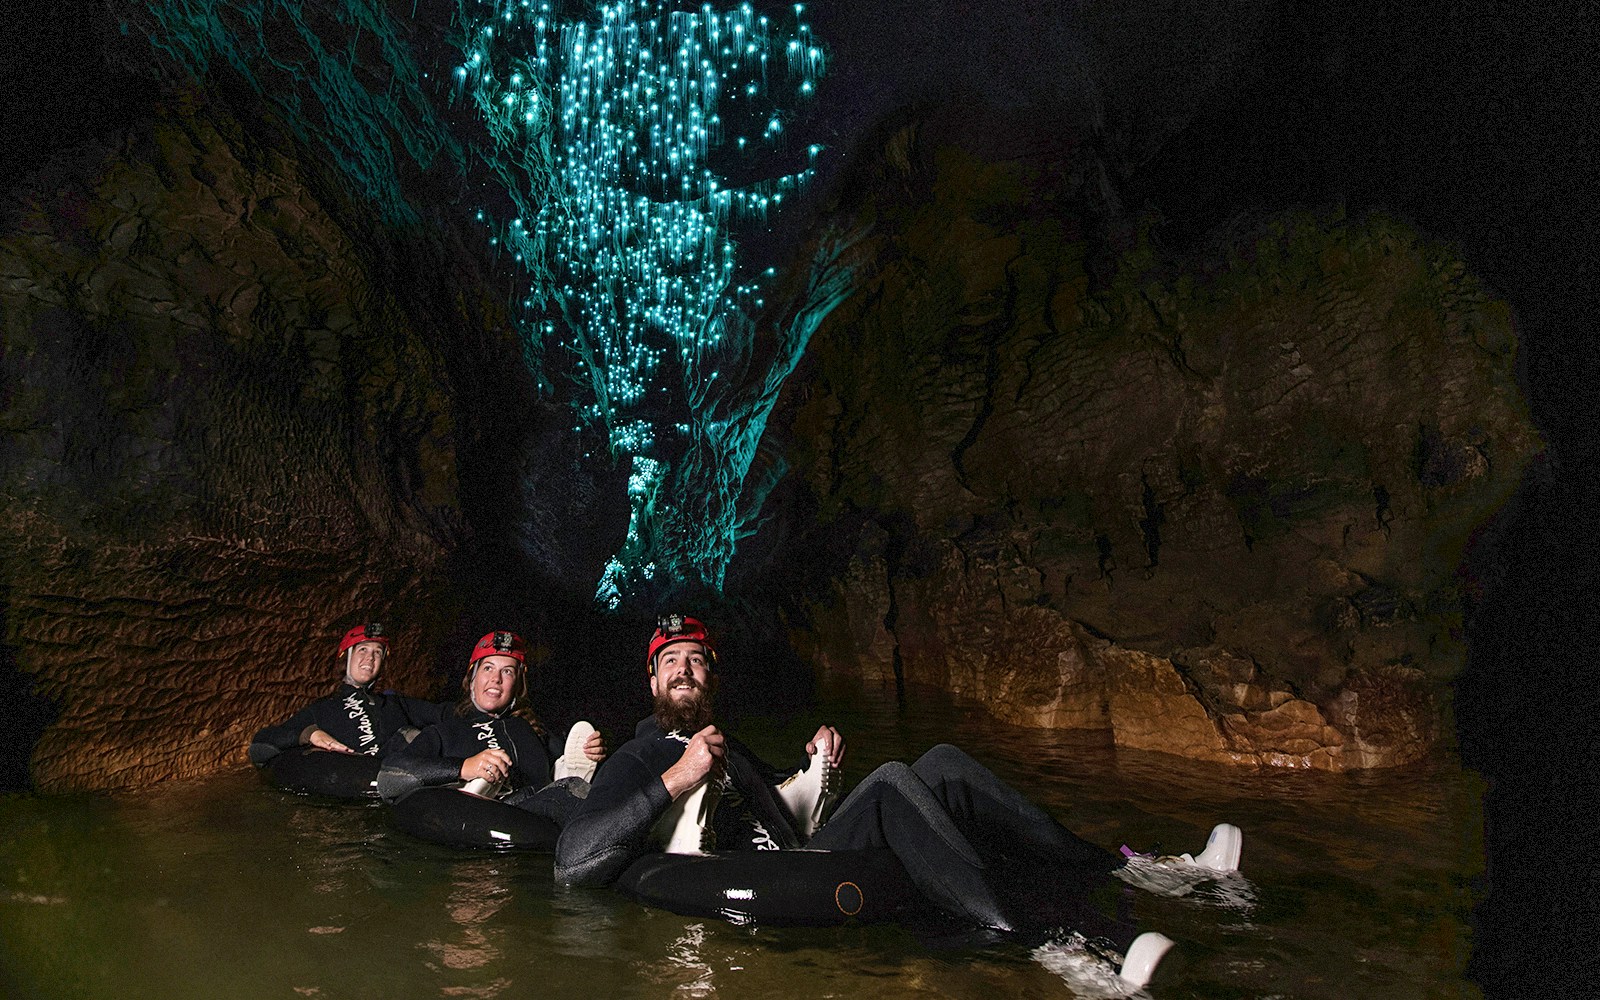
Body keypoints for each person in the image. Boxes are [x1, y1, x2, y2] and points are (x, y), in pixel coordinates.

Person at [555, 615, 1239, 984]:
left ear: (711, 676)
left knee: (938, 762)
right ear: (651, 681)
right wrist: (675, 777)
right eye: (670, 660)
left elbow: (791, 818)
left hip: (801, 862)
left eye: (695, 658)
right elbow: (573, 861)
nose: (684, 668)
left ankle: (1132, 870)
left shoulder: (732, 748)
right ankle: (1064, 945)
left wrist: (815, 767)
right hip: (754, 886)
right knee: (893, 783)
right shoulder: (638, 754)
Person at [377, 630, 606, 825]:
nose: (496, 678)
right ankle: (473, 794)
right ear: (472, 678)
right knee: (569, 794)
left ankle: (567, 779)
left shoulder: (534, 731)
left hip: (538, 814)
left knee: (573, 783)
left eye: (507, 671)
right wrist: (464, 767)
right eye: (488, 668)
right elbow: (390, 778)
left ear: (517, 684)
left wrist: (591, 751)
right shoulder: (446, 730)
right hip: (485, 822)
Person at [249, 622, 445, 763]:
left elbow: (444, 713)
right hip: (355, 787)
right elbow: (265, 738)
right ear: (346, 658)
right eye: (362, 650)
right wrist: (310, 734)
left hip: (404, 783)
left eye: (377, 652)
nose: (370, 658)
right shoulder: (324, 708)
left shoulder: (396, 703)